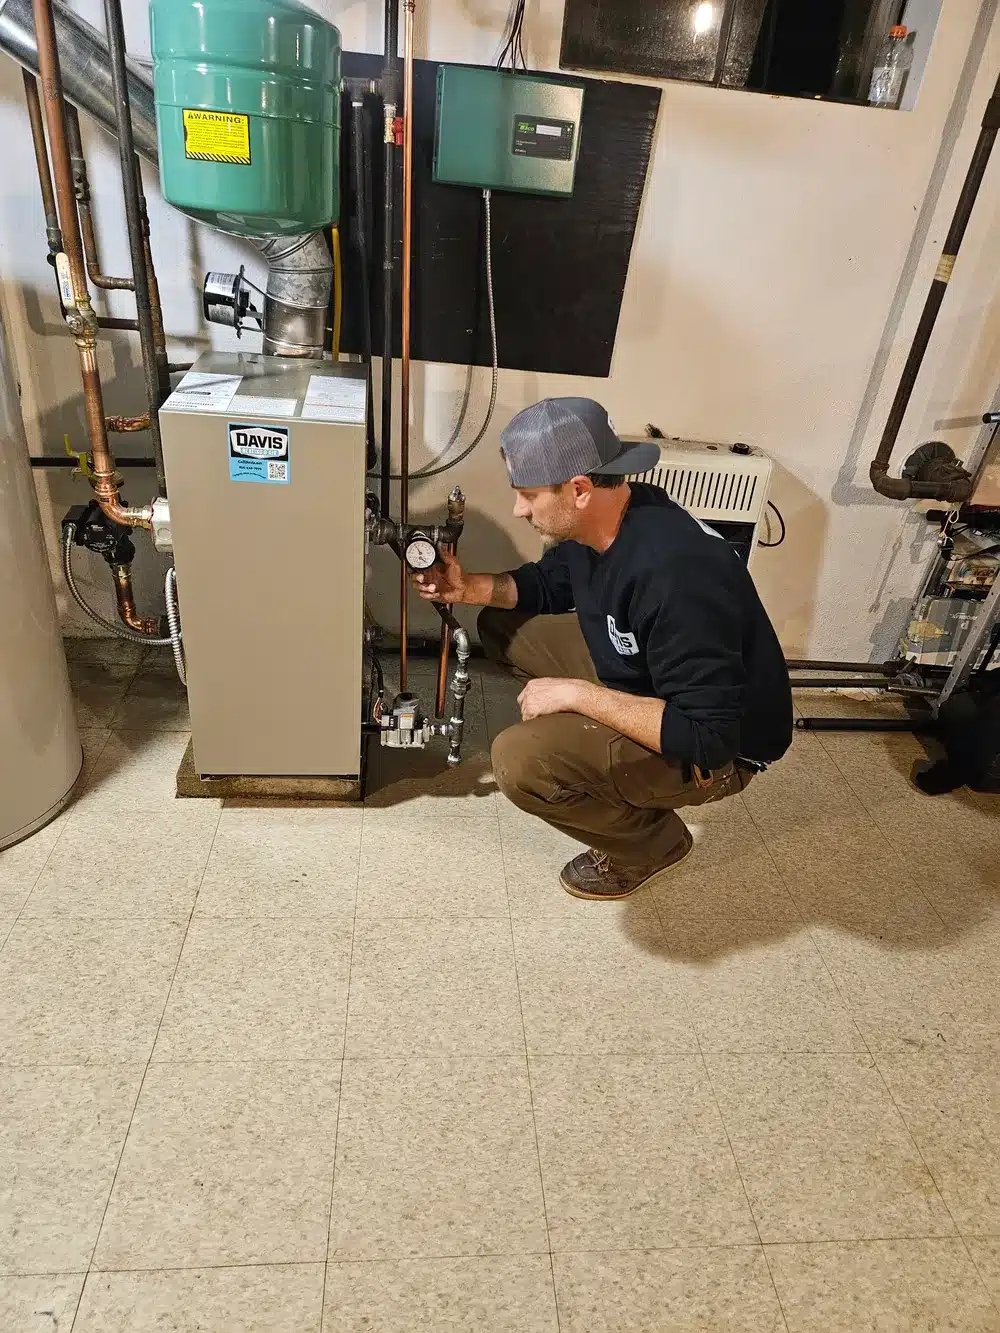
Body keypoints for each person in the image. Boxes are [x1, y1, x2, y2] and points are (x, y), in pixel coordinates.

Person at [413, 397, 793, 901]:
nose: (518, 510)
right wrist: (468, 588)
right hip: (657, 675)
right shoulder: (617, 514)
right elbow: (550, 584)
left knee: (522, 762)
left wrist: (579, 696)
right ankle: (601, 731)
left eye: (527, 495)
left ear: (579, 489)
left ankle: (654, 845)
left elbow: (709, 737)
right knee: (504, 626)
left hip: (723, 748)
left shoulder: (675, 576)